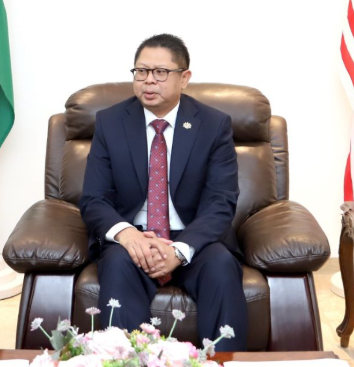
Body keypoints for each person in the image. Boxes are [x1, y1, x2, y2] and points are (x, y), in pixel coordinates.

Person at [79, 34, 247, 350]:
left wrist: (179, 250)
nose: (149, 80)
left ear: (184, 78)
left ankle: (223, 361)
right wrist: (127, 234)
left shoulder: (213, 124)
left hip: (194, 238)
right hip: (134, 236)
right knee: (116, 264)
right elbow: (93, 198)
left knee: (221, 266)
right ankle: (125, 359)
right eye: (141, 71)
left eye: (160, 72)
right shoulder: (110, 122)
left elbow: (221, 201)